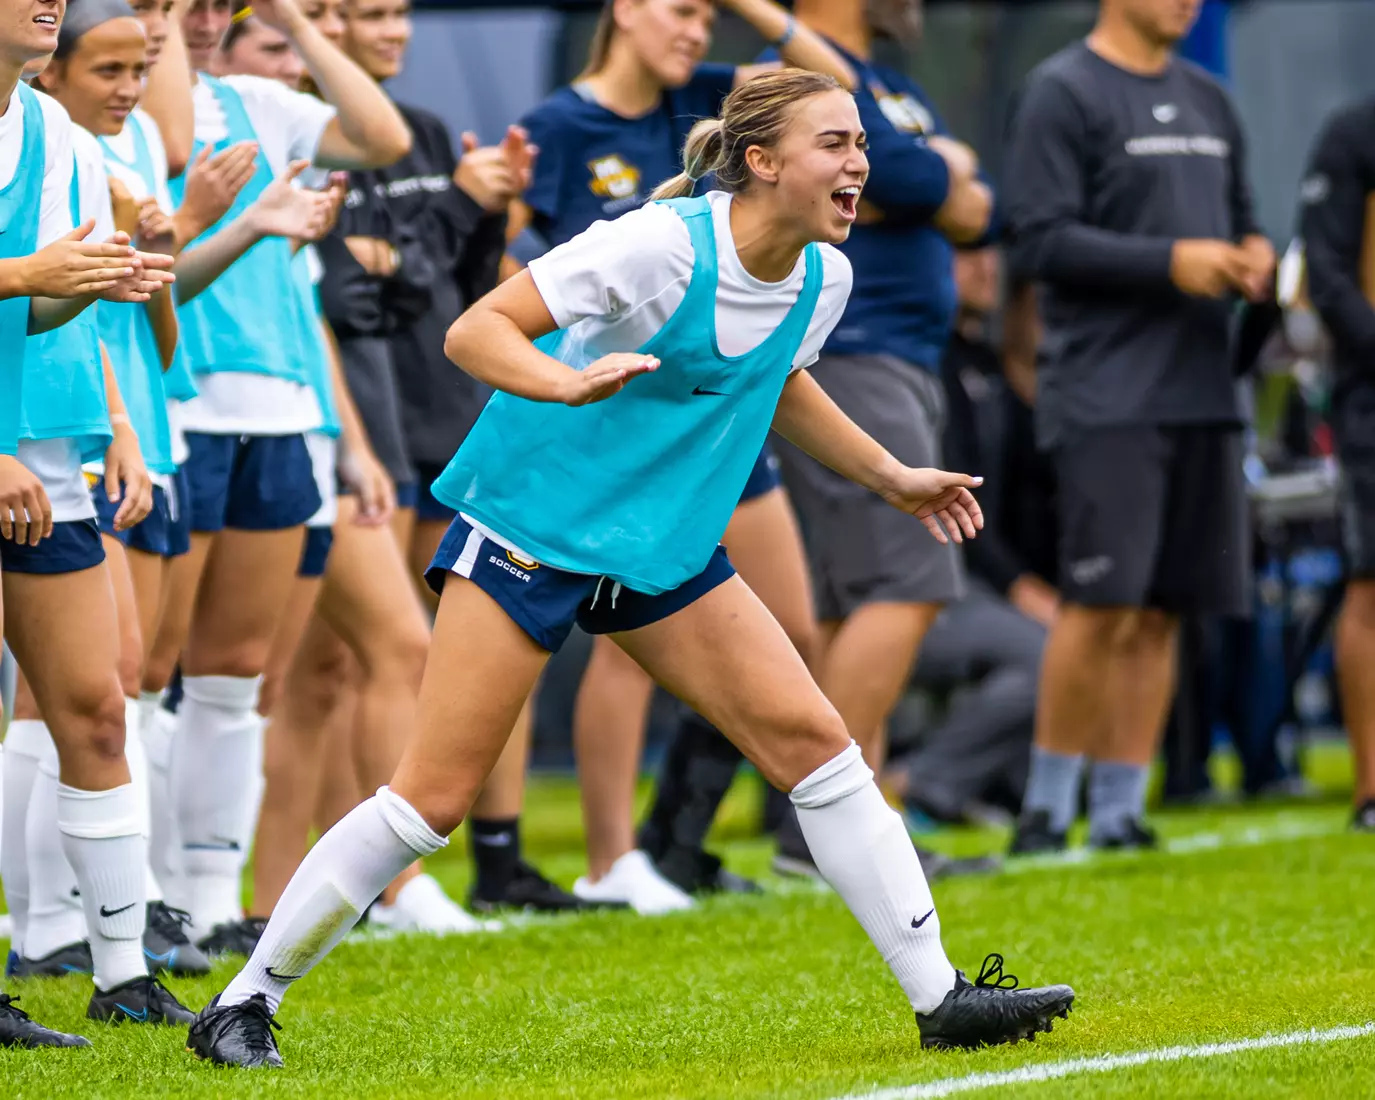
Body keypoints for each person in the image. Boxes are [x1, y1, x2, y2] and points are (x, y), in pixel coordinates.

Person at [188, 70, 1075, 1068]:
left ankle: (940, 996)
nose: (859, 162)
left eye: (860, 142)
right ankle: (241, 1002)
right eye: (834, 142)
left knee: (819, 749)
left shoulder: (823, 278)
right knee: (430, 800)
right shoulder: (657, 245)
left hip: (659, 546)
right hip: (532, 526)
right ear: (760, 161)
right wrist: (565, 382)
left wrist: (892, 476)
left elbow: (777, 378)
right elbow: (474, 331)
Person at [515, 0, 856, 913]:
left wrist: (757, 10)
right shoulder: (559, 125)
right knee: (630, 643)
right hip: (627, 430)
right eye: (682, 10)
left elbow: (832, 83)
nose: (699, 31)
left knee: (792, 630)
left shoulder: (710, 97)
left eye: (711, 15)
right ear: (625, 11)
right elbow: (512, 282)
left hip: (725, 417)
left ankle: (677, 841)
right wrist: (559, 374)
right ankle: (611, 858)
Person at [133, 0, 409, 954]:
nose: (205, 19)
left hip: (282, 412)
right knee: (143, 677)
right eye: (187, 4)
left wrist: (295, 15)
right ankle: (126, 902)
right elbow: (173, 140)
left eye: (225, 4)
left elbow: (381, 135)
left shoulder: (260, 99)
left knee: (235, 676)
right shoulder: (128, 101)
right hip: (179, 405)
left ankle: (207, 901)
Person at [214, 0, 483, 934]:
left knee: (311, 679)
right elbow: (335, 300)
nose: (294, 60)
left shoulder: (302, 140)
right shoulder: (215, 143)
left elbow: (324, 310)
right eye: (275, 43)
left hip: (338, 426)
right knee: (362, 658)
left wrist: (356, 442)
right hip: (249, 425)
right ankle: (388, 886)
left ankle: (267, 899)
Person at [1003, 0, 1273, 853]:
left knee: (1163, 609)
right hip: (1106, 394)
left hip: (1204, 391)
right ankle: (1047, 811)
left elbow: (1242, 218)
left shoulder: (1209, 97)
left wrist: (1254, 255)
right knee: (1100, 602)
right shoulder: (1060, 90)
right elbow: (1037, 241)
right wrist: (1170, 262)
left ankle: (1119, 811)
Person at [764, 0, 996, 876]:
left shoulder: (890, 85)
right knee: (910, 578)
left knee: (851, 601)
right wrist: (934, 173)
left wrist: (938, 177)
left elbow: (976, 209)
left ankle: (843, 828)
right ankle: (820, 828)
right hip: (853, 355)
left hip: (900, 358)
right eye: (843, 144)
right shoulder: (795, 82)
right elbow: (920, 182)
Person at [887, 250, 1053, 827]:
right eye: (965, 251)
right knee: (1048, 653)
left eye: (990, 251)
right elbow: (954, 508)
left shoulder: (987, 366)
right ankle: (919, 781)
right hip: (919, 584)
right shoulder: (919, 364)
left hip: (973, 583)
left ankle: (991, 788)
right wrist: (1021, 587)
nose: (986, 267)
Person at [1299, 93, 1375, 831]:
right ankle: (1371, 791)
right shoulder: (1355, 131)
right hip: (1371, 396)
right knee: (1371, 585)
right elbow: (1325, 273)